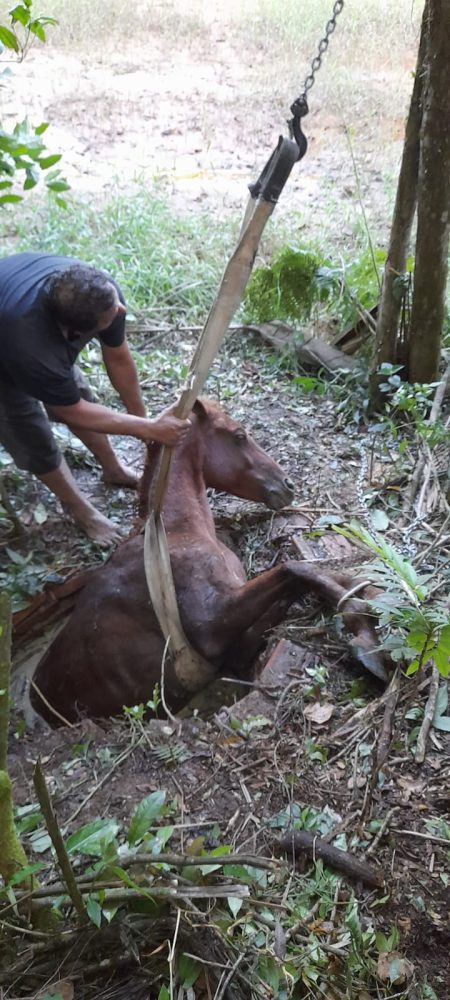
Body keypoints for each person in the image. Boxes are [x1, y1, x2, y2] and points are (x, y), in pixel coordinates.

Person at [0, 252, 191, 545]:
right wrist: (149, 430)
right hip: (7, 347)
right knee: (30, 433)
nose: (121, 310)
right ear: (72, 331)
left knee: (77, 393)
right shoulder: (33, 347)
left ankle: (112, 469)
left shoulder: (102, 294)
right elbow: (71, 412)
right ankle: (83, 512)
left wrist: (143, 420)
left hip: (22, 322)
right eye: (113, 314)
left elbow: (118, 358)